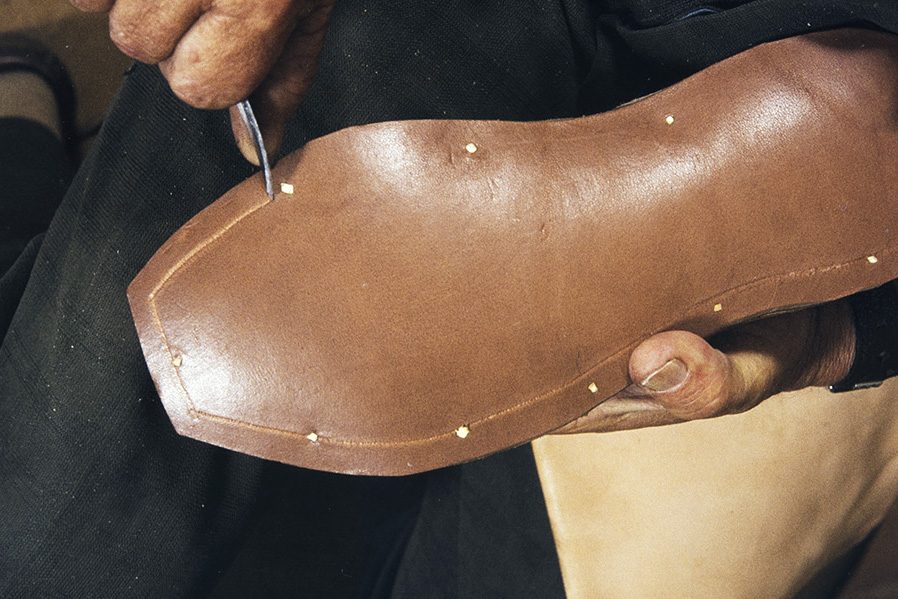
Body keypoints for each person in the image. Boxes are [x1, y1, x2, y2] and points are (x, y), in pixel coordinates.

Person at [2, 1, 898, 596]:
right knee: (62, 520)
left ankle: (19, 125)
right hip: (429, 26)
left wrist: (849, 334)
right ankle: (20, 126)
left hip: (775, 194)